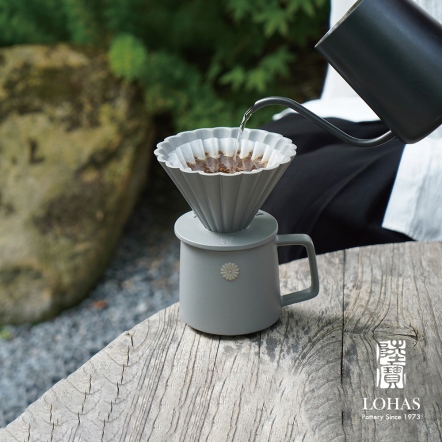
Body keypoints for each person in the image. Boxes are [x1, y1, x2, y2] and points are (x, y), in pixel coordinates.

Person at [260, 0, 442, 263]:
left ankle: (281, 285)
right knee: (263, 156)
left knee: (293, 196)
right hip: (383, 102)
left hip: (430, 120)